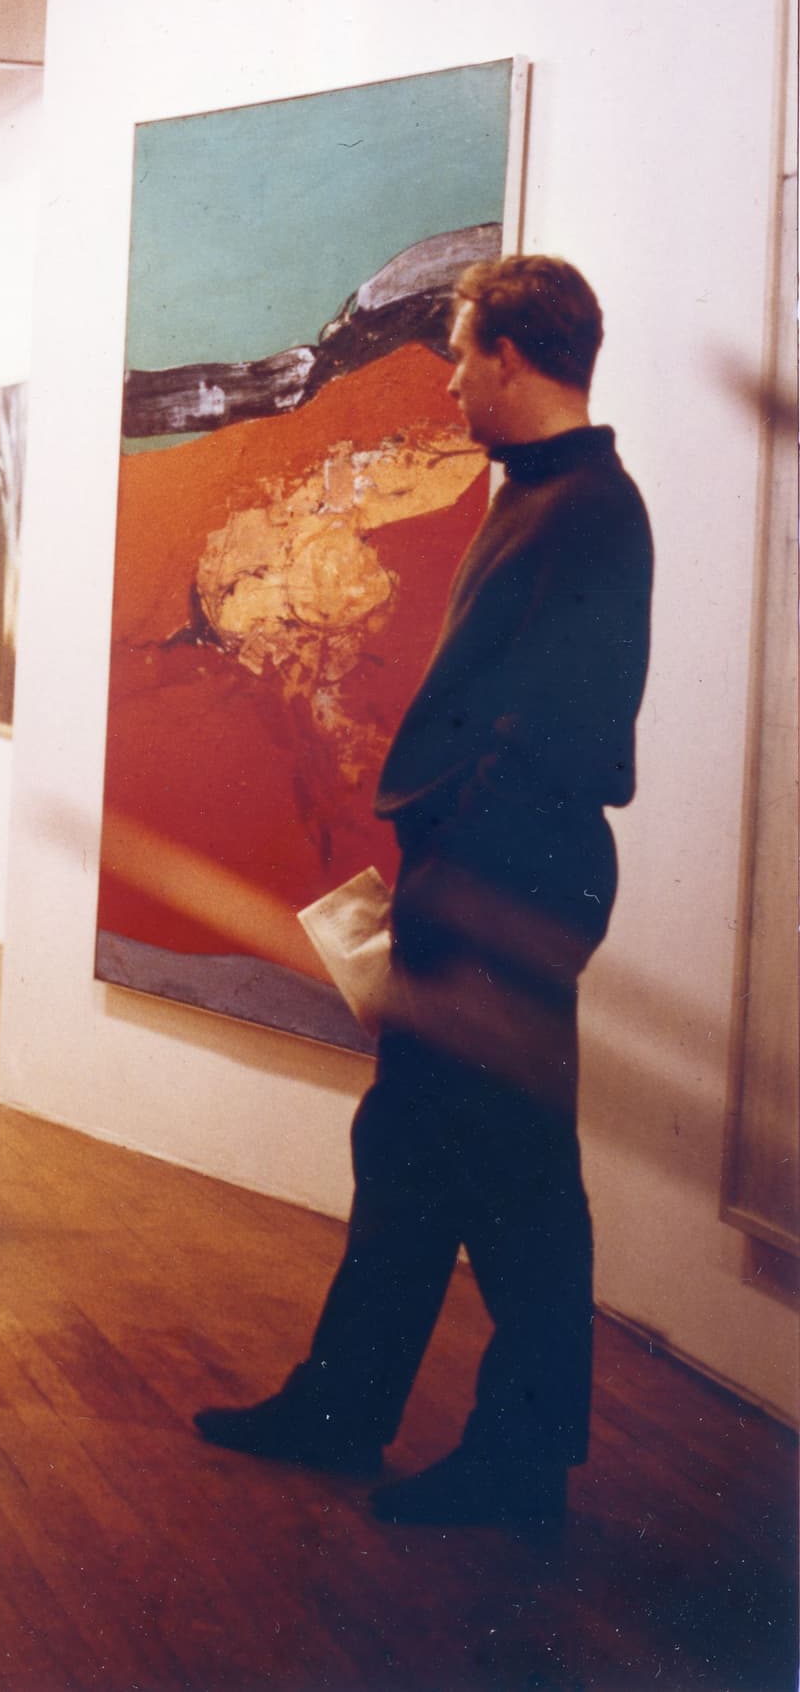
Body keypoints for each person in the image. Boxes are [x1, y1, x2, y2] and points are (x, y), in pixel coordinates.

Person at [194, 256, 654, 1531]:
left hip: (509, 892)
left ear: (512, 354)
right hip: (479, 881)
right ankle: (341, 1410)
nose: (450, 379)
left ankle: (521, 1465)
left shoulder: (592, 511)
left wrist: (456, 873)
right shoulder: (545, 501)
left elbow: (563, 733)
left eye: (460, 353)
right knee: (408, 1154)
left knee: (516, 1180)